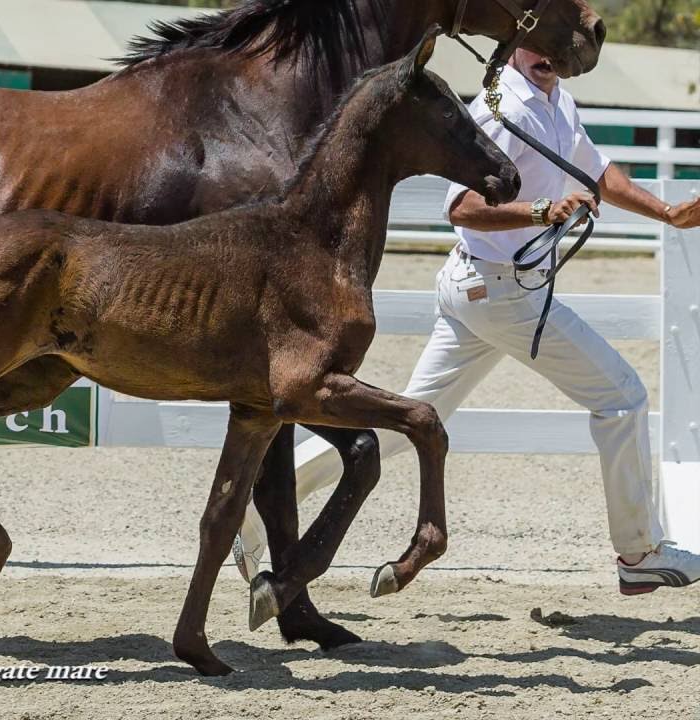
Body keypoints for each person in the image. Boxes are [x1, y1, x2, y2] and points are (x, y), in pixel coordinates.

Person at [233, 47, 700, 594]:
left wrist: (665, 213)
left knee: (402, 424)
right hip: (504, 295)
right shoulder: (504, 109)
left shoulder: (556, 101)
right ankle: (637, 553)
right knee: (622, 397)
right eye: (538, 40)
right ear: (517, 39)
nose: (549, 53)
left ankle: (249, 510)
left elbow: (595, 170)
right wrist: (539, 211)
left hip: (479, 288)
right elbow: (460, 206)